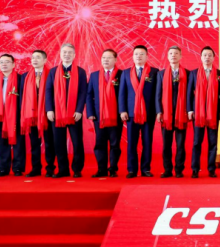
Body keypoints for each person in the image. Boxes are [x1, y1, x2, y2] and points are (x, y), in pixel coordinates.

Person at [45, 43, 87, 178]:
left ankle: (77, 169)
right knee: (59, 143)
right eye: (64, 52)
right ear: (60, 54)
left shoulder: (81, 72)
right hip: (57, 113)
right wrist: (49, 110)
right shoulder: (53, 72)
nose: (67, 55)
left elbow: (83, 92)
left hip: (75, 114)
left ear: (74, 55)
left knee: (77, 142)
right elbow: (48, 91)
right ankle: (63, 169)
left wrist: (79, 110)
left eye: (70, 52)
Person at [119, 45, 159, 178]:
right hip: (131, 113)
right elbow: (122, 93)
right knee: (132, 142)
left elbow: (157, 94)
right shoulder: (126, 73)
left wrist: (157, 111)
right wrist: (122, 110)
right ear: (133, 56)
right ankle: (132, 169)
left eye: (142, 54)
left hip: (148, 112)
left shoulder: (154, 72)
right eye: (136, 54)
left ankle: (146, 168)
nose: (139, 56)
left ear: (147, 56)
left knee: (147, 141)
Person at [187, 46, 220, 179]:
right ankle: (195, 169)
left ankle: (211, 169)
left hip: (214, 112)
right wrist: (190, 110)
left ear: (214, 58)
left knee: (213, 142)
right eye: (205, 55)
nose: (207, 57)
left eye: (210, 55)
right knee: (197, 142)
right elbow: (189, 93)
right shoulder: (193, 73)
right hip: (198, 113)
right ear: (201, 57)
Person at [86, 49, 123, 178]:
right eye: (103, 58)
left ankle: (113, 168)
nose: (105, 60)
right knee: (100, 143)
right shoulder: (94, 75)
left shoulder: (122, 74)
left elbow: (125, 94)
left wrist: (123, 111)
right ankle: (101, 169)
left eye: (109, 57)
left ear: (115, 60)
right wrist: (90, 112)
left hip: (116, 116)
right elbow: (89, 95)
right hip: (98, 116)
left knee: (115, 144)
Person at [20, 50, 55, 177]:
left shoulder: (51, 74)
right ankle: (36, 168)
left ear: (45, 60)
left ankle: (50, 168)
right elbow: (22, 96)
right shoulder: (25, 76)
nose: (34, 60)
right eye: (33, 58)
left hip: (47, 113)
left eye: (38, 57)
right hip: (32, 114)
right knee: (34, 143)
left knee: (49, 142)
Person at [156, 46, 190, 178]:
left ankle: (179, 169)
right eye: (171, 53)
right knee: (166, 145)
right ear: (167, 56)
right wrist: (159, 111)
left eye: (176, 53)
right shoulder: (161, 74)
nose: (173, 55)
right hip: (166, 114)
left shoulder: (187, 73)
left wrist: (189, 110)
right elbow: (158, 95)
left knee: (180, 145)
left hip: (181, 114)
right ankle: (167, 170)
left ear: (181, 56)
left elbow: (190, 95)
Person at [0, 54, 25, 177]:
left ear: (13, 64)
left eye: (7, 62)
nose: (4, 64)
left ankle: (18, 168)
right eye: (1, 62)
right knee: (2, 142)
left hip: (16, 115)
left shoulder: (20, 79)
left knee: (18, 142)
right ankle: (3, 168)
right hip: (0, 115)